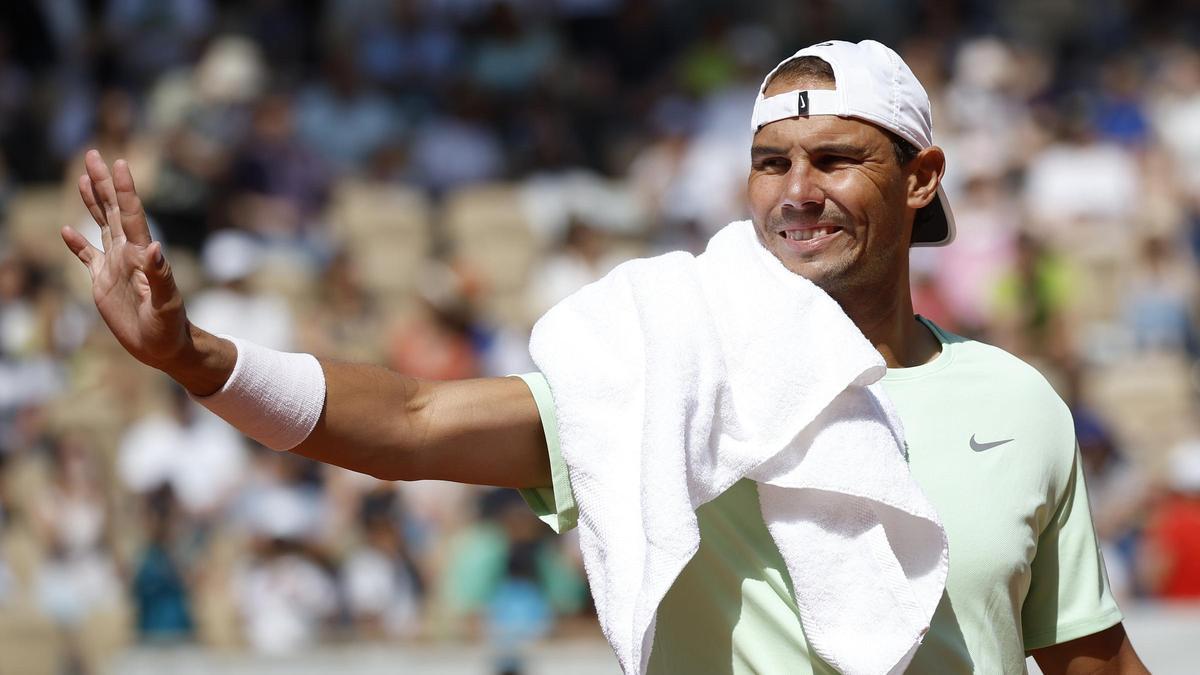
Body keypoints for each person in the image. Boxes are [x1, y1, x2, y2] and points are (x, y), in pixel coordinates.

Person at [61, 40, 1147, 674]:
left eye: (837, 158)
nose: (798, 191)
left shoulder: (1018, 404)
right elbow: (414, 426)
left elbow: (1090, 668)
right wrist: (198, 357)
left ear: (920, 180)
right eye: (771, 162)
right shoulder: (671, 353)